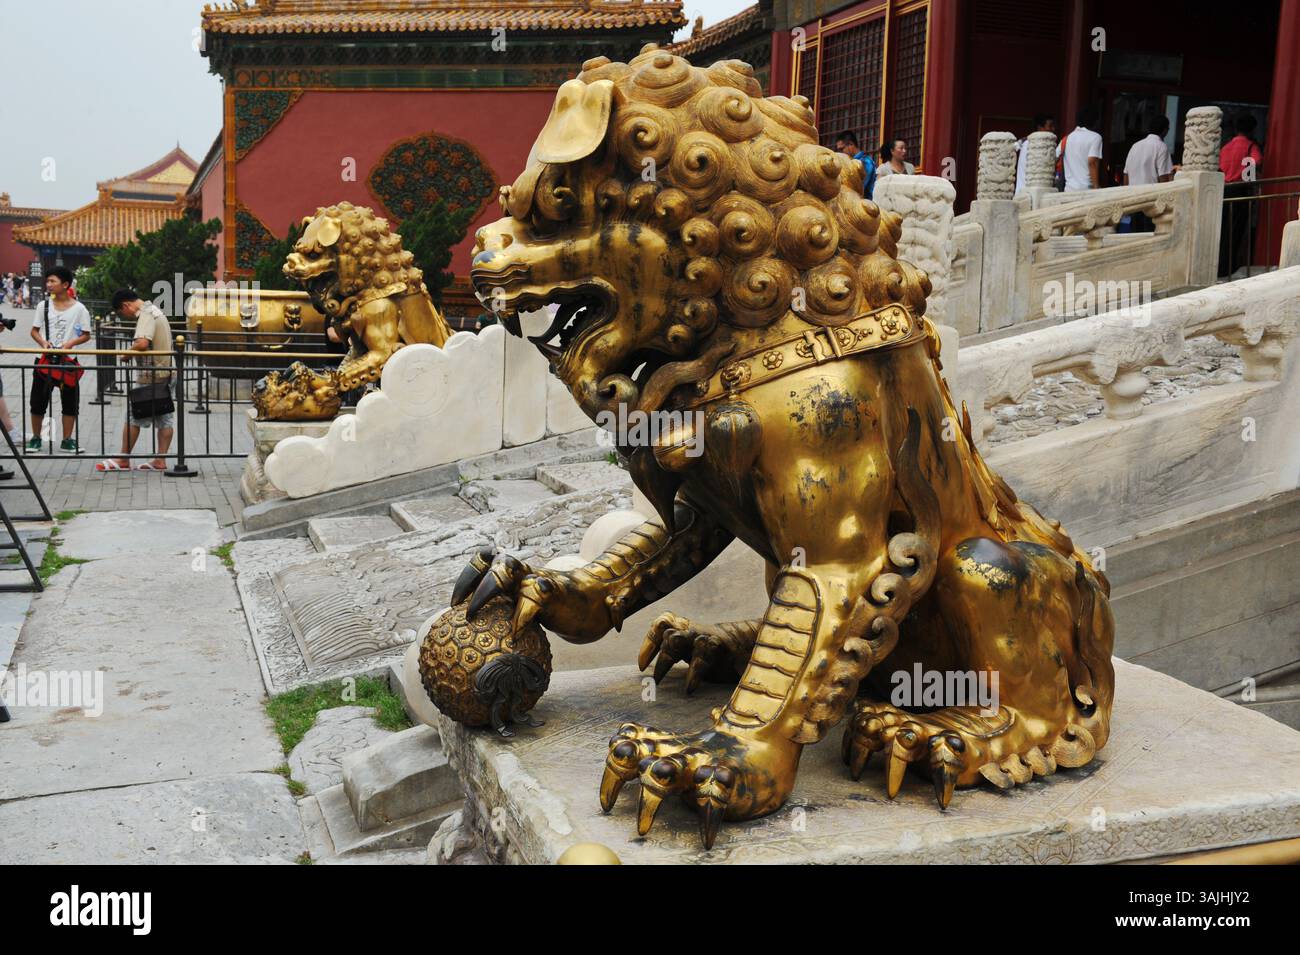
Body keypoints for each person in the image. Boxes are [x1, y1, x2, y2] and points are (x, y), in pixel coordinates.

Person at [98, 289, 175, 471]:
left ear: (126, 305)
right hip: (167, 372)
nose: (124, 316)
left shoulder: (145, 314)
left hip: (151, 375)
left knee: (134, 417)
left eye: (121, 312)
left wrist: (126, 354)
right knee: (165, 418)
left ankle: (123, 459)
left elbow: (142, 343)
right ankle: (160, 459)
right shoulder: (155, 310)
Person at [28, 266, 90, 454]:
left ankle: (67, 440)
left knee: (70, 403)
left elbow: (87, 334)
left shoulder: (80, 309)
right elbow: (34, 331)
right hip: (45, 360)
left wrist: (70, 343)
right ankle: (37, 438)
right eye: (47, 281)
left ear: (65, 284)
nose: (48, 285)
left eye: (52, 281)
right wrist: (43, 343)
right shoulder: (43, 306)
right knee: (38, 401)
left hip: (68, 361)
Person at [1219, 112, 1264, 276]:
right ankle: (1228, 268)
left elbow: (1220, 168)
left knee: (1223, 231)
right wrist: (1249, 177)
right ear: (1252, 130)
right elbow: (1257, 161)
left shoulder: (1226, 147)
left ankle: (1220, 267)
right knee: (1236, 232)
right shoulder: (1251, 146)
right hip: (1241, 191)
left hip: (1224, 192)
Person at [1122, 114, 1174, 232]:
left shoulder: (1135, 146)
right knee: (1150, 235)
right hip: (1152, 202)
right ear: (1165, 130)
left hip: (1134, 200)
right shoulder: (1161, 147)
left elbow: (1126, 174)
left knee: (1135, 236)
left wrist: (1125, 196)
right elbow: (1163, 178)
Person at [1058, 105, 1104, 192]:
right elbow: (1092, 162)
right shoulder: (1095, 137)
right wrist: (1096, 188)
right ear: (1095, 121)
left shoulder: (1066, 138)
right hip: (1086, 190)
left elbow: (1054, 157)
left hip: (1068, 190)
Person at [1016, 113, 1056, 194]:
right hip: (1028, 192)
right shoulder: (1033, 144)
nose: (1053, 129)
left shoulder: (1028, 142)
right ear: (1040, 127)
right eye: (1050, 126)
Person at [835, 129, 876, 198]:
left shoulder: (866, 162)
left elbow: (859, 186)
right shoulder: (849, 162)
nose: (840, 153)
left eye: (841, 149)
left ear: (851, 145)